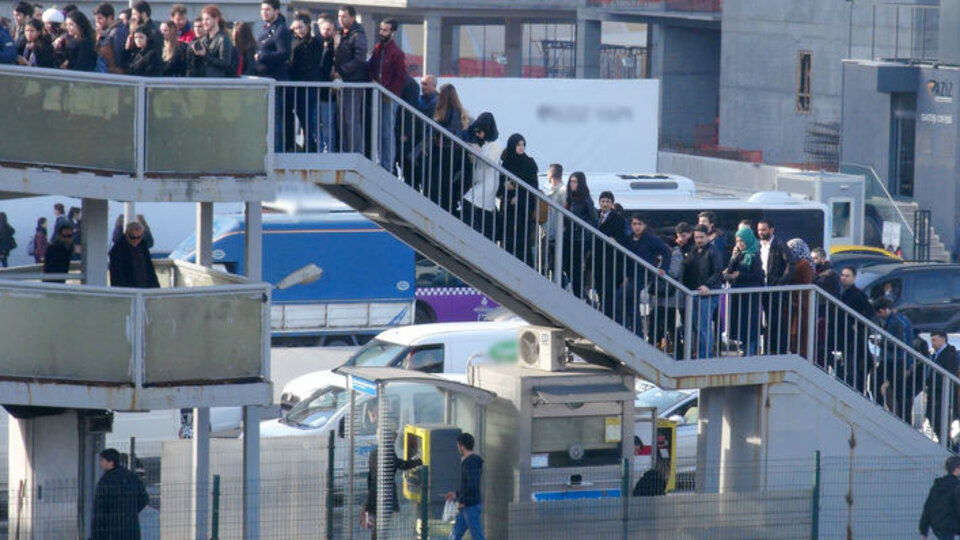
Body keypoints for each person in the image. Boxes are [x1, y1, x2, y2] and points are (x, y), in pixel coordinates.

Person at [364, 434, 422, 540]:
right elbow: (402, 465)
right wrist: (419, 461)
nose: (393, 441)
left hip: (373, 492)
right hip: (386, 492)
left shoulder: (373, 453)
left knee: (377, 523)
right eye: (392, 438)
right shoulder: (388, 453)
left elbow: (369, 476)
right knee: (383, 522)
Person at [368, 18, 406, 172]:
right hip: (377, 96)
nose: (381, 33)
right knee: (378, 131)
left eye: (385, 30)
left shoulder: (396, 53)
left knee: (386, 132)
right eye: (381, 29)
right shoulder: (378, 48)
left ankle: (387, 165)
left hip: (388, 98)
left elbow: (401, 77)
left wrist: (387, 92)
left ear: (393, 33)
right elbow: (371, 68)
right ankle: (381, 162)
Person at [683, 225, 725, 358]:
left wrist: (707, 285)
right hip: (695, 293)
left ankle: (706, 356)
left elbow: (718, 272)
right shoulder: (694, 251)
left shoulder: (713, 251)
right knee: (698, 326)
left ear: (707, 237)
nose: (698, 240)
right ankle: (703, 355)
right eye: (696, 237)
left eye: (701, 237)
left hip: (707, 294)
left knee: (703, 327)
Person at [497, 133, 539, 266]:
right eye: (518, 145)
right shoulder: (506, 163)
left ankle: (527, 268)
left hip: (524, 207)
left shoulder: (529, 163)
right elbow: (499, 185)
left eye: (523, 145)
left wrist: (519, 196)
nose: (521, 148)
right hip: (508, 207)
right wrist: (504, 187)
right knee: (508, 238)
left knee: (523, 239)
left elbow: (533, 186)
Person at [723, 227, 765, 356]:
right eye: (737, 241)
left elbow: (758, 276)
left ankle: (749, 353)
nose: (739, 244)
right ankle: (745, 351)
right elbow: (730, 269)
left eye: (742, 241)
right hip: (739, 297)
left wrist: (740, 275)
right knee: (741, 327)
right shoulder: (740, 254)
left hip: (750, 298)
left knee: (750, 327)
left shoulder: (754, 255)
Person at [427, 84, 470, 209]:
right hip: (451, 151)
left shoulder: (448, 112)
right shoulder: (458, 111)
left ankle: (443, 207)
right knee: (444, 182)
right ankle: (445, 206)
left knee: (440, 181)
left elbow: (449, 131)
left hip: (446, 151)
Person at [757, 218, 797, 355]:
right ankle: (767, 349)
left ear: (771, 230)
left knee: (777, 321)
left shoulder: (780, 244)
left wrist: (781, 282)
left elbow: (791, 264)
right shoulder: (758, 245)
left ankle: (778, 349)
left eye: (764, 229)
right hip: (762, 288)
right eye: (759, 230)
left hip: (775, 289)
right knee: (766, 321)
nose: (761, 232)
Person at [92, 448, 150, 540]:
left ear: (111, 462)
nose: (100, 463)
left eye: (102, 460)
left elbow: (100, 508)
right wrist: (131, 511)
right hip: (131, 528)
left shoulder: (106, 480)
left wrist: (96, 534)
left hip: (112, 530)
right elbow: (144, 498)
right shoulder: (131, 476)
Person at [289, 13, 326, 153]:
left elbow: (315, 54)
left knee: (309, 118)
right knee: (300, 115)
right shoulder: (293, 40)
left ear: (308, 26)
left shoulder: (315, 42)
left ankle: (310, 146)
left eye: (301, 27)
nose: (299, 30)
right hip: (296, 83)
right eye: (296, 28)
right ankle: (303, 145)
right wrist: (290, 30)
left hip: (310, 84)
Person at [461, 112, 501, 240]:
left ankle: (473, 233)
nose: (478, 134)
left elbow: (490, 162)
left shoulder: (496, 145)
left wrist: (477, 150)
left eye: (480, 131)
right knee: (484, 211)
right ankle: (482, 236)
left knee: (468, 200)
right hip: (480, 181)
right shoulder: (483, 144)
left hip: (489, 183)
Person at [334, 5, 368, 153]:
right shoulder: (340, 33)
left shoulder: (358, 35)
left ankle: (354, 153)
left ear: (353, 17)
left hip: (353, 82)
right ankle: (345, 151)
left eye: (344, 16)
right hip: (342, 82)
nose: (341, 19)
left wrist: (341, 71)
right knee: (342, 120)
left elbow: (360, 58)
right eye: (340, 16)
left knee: (351, 120)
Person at [591, 190, 628, 319]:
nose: (605, 204)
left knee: (608, 289)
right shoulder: (595, 215)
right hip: (597, 258)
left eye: (607, 201)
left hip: (611, 260)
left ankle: (607, 315)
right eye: (602, 201)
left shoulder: (618, 219)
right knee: (599, 286)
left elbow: (622, 238)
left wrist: (615, 240)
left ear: (612, 203)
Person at [562, 171, 598, 300]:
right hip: (567, 236)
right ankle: (578, 292)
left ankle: (580, 295)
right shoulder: (569, 198)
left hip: (579, 239)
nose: (572, 184)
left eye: (575, 181)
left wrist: (580, 227)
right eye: (571, 181)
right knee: (566, 265)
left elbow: (594, 220)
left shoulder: (586, 199)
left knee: (576, 268)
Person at [839, 266, 875, 391]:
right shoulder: (841, 292)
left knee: (854, 366)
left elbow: (869, 312)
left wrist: (857, 324)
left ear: (854, 278)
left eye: (847, 276)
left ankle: (856, 389)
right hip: (844, 335)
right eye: (842, 275)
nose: (843, 278)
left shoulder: (857, 294)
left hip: (855, 337)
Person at [445, 432, 485, 540]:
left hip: (470, 505)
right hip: (468, 504)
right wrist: (456, 494)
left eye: (458, 445)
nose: (458, 447)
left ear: (462, 446)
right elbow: (468, 485)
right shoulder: (473, 461)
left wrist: (461, 500)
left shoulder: (469, 463)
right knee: (455, 534)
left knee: (476, 535)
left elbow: (471, 484)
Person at [927, 331, 960, 442]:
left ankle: (948, 444)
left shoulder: (950, 353)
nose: (932, 343)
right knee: (932, 416)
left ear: (943, 339)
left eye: (934, 340)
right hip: (934, 393)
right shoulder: (935, 354)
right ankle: (945, 442)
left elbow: (949, 371)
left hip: (944, 393)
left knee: (942, 420)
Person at [919, 456, 960, 540]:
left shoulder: (937, 486)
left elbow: (928, 507)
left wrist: (924, 530)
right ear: (956, 470)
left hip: (938, 526)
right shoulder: (957, 486)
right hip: (953, 525)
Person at [109, 222, 160, 288]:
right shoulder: (117, 250)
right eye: (132, 237)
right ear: (127, 234)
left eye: (138, 237)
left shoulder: (143, 245)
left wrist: (156, 289)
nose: (136, 240)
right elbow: (117, 277)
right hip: (128, 292)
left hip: (144, 290)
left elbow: (150, 269)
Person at [786, 238, 814, 356]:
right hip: (792, 302)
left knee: (799, 332)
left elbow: (807, 283)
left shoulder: (804, 264)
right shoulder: (792, 262)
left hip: (802, 303)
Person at [193, 5, 235, 78]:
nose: (204, 22)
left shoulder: (223, 39)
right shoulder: (204, 39)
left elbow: (225, 63)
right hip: (203, 79)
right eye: (203, 19)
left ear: (216, 19)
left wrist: (206, 55)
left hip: (218, 81)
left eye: (207, 19)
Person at [93, 3, 126, 73]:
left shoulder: (117, 32)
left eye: (100, 19)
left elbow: (118, 55)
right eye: (96, 19)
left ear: (110, 17)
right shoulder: (104, 31)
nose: (97, 22)